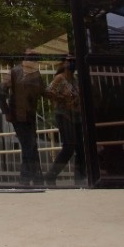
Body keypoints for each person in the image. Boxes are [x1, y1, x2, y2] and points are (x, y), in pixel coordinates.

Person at [1, 51, 47, 185]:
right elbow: (0, 91)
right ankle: (27, 178)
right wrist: (7, 112)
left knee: (32, 146)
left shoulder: (35, 74)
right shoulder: (15, 72)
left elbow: (42, 91)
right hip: (18, 115)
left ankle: (35, 178)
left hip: (29, 115)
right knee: (29, 146)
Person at [44, 54, 85, 186]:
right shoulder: (60, 78)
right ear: (64, 63)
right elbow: (49, 92)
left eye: (74, 61)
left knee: (80, 147)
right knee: (69, 145)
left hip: (77, 115)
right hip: (64, 114)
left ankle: (80, 177)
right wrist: (62, 98)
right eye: (69, 61)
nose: (72, 63)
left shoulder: (75, 79)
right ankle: (52, 174)